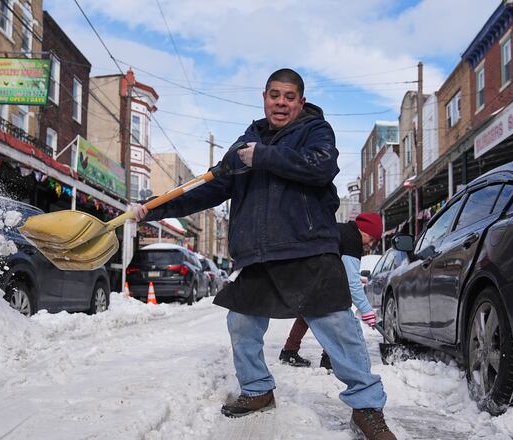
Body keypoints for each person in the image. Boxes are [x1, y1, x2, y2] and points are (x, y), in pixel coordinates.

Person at [132, 68, 397, 440]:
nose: (281, 102)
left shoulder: (315, 131)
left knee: (338, 327)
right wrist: (154, 207)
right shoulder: (246, 141)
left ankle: (367, 407)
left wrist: (263, 157)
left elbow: (320, 168)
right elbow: (209, 188)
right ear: (264, 97)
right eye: (275, 95)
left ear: (300, 102)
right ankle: (257, 390)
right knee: (241, 323)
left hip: (307, 246)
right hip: (257, 253)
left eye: (289, 96)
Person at [279, 212, 382, 370]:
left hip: (306, 271)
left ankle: (290, 351)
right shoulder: (352, 240)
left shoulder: (344, 231)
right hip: (314, 275)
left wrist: (352, 276)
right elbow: (351, 283)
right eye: (372, 239)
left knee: (309, 310)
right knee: (336, 310)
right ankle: (329, 358)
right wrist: (366, 310)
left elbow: (339, 264)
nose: (370, 244)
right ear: (365, 231)